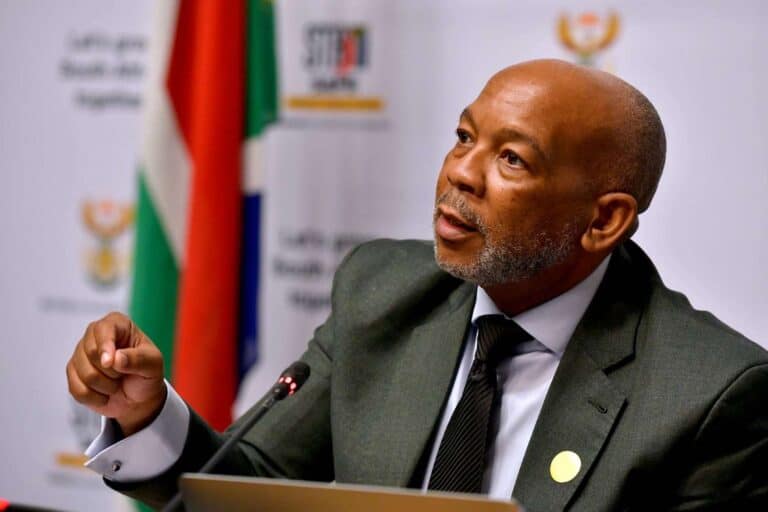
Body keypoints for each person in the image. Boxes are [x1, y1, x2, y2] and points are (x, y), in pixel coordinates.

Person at [67, 59, 768, 511]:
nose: (461, 172)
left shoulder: (709, 395)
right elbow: (251, 487)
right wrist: (145, 414)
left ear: (604, 220)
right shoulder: (383, 292)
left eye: (512, 159)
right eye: (464, 136)